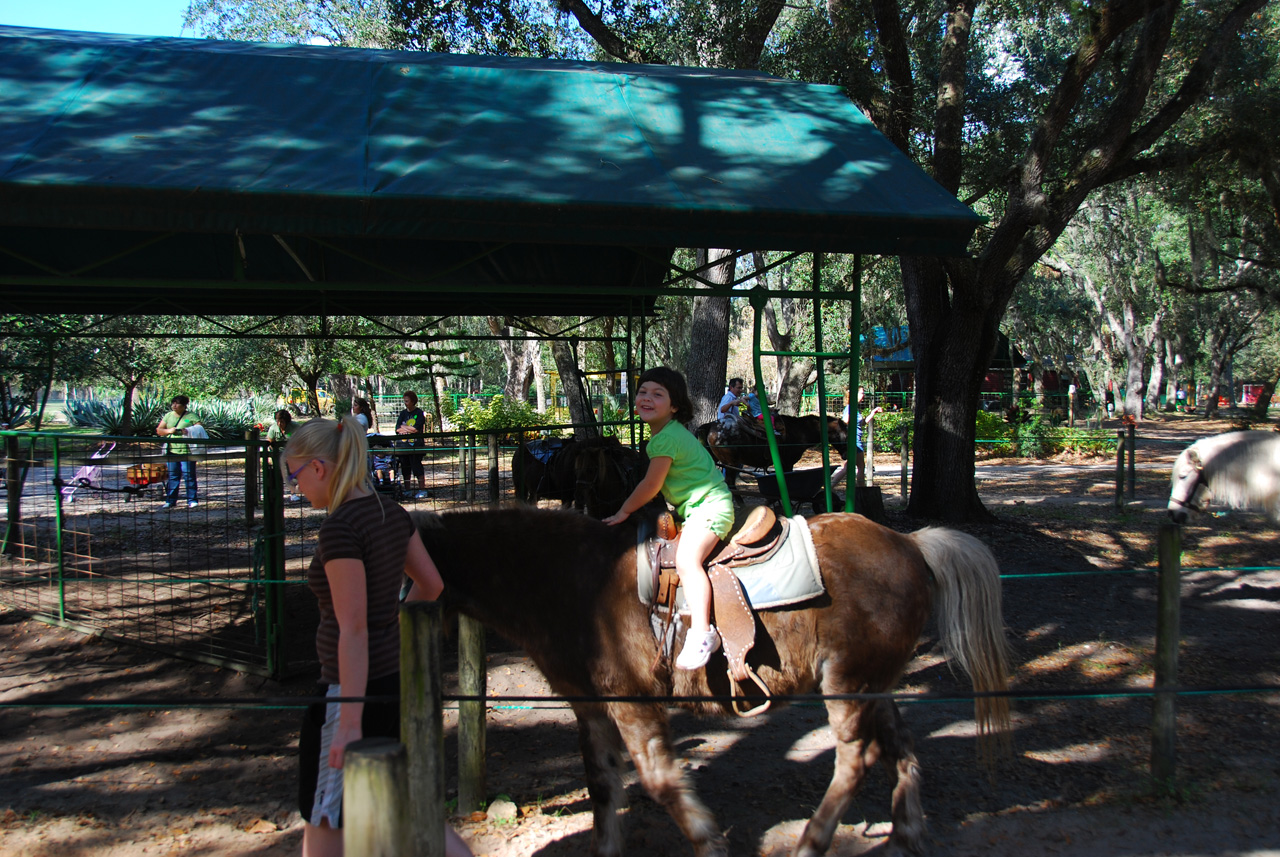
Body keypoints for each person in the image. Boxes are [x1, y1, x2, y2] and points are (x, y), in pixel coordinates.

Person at [282, 416, 472, 857]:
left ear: (319, 468)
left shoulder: (340, 528)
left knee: (326, 817)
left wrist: (348, 722)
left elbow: (353, 628)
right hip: (394, 681)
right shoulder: (391, 513)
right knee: (410, 807)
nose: (295, 488)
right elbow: (431, 586)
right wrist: (394, 625)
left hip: (348, 692)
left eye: (294, 476)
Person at [603, 368, 735, 671]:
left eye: (658, 394)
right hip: (696, 507)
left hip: (710, 508)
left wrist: (624, 510)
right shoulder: (669, 433)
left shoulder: (664, 441)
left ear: (675, 406)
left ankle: (703, 632)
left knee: (688, 561)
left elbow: (650, 486)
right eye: (642, 392)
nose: (647, 398)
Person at [156, 394, 201, 509]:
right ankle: (170, 500)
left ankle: (192, 500)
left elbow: (200, 429)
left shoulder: (190, 416)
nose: (174, 405)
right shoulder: (168, 416)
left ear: (184, 405)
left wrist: (187, 431)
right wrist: (169, 431)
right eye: (173, 403)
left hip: (187, 451)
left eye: (177, 403)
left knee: (189, 475)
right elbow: (159, 430)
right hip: (172, 450)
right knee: (173, 476)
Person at [394, 392, 428, 497]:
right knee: (405, 468)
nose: (405, 403)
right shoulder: (403, 414)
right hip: (403, 446)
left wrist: (405, 428)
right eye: (404, 401)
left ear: (413, 401)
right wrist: (406, 429)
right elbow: (397, 428)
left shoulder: (419, 413)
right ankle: (407, 490)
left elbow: (415, 429)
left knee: (417, 467)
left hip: (416, 446)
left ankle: (422, 490)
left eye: (407, 401)